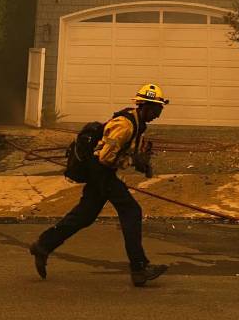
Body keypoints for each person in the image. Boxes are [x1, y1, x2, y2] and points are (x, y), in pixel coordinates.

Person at [30, 83, 169, 287]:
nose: (158, 114)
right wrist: (131, 161)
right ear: (145, 106)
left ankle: (43, 245)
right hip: (100, 171)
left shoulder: (138, 125)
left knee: (84, 216)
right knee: (131, 211)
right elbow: (105, 157)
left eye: (160, 110)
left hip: (102, 173)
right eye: (156, 109)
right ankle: (139, 269)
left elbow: (123, 153)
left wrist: (142, 164)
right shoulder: (125, 125)